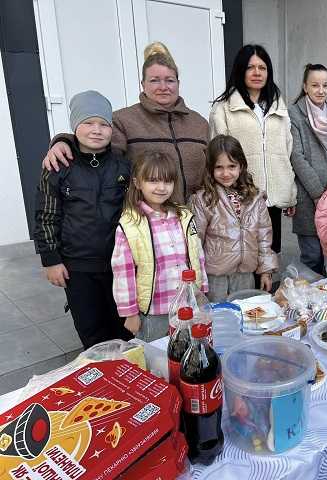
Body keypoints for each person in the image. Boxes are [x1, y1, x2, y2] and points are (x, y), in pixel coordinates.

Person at [42, 42, 208, 203]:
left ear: (178, 83)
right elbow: (95, 144)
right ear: (143, 84)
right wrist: (63, 141)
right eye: (154, 80)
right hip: (145, 216)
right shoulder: (123, 120)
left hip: (194, 215)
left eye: (170, 80)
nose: (163, 87)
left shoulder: (199, 123)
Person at [33, 90, 132, 349]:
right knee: (92, 331)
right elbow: (46, 215)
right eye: (88, 122)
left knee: (124, 329)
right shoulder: (58, 167)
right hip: (77, 267)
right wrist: (51, 259)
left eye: (104, 124)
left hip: (118, 264)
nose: (96, 130)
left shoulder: (123, 167)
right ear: (75, 125)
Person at [111, 151, 207, 342]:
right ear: (138, 183)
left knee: (188, 350)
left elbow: (197, 255)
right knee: (156, 355)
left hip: (187, 306)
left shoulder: (183, 216)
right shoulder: (130, 223)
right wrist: (130, 313)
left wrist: (201, 291)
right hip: (154, 312)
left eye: (167, 181)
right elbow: (123, 271)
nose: (161, 187)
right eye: (153, 181)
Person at [209, 44, 295, 255]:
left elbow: (287, 151)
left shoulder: (279, 107)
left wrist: (290, 192)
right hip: (241, 197)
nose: (257, 73)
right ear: (240, 70)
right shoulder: (223, 108)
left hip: (272, 199)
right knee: (244, 257)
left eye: (262, 68)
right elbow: (217, 155)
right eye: (250, 67)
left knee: (270, 256)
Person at [190, 135, 278, 302]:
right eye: (219, 167)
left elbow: (264, 237)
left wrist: (266, 270)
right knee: (218, 314)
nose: (226, 173)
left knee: (244, 311)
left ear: (241, 166)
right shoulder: (204, 199)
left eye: (232, 166)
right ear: (210, 168)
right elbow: (195, 241)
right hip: (215, 277)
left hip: (245, 274)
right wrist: (196, 276)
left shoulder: (255, 197)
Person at [289, 64, 327, 274]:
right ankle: (308, 294)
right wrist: (318, 194)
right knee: (312, 256)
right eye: (315, 85)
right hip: (308, 197)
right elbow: (296, 157)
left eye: (325, 85)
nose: (321, 91)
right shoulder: (294, 114)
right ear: (305, 86)